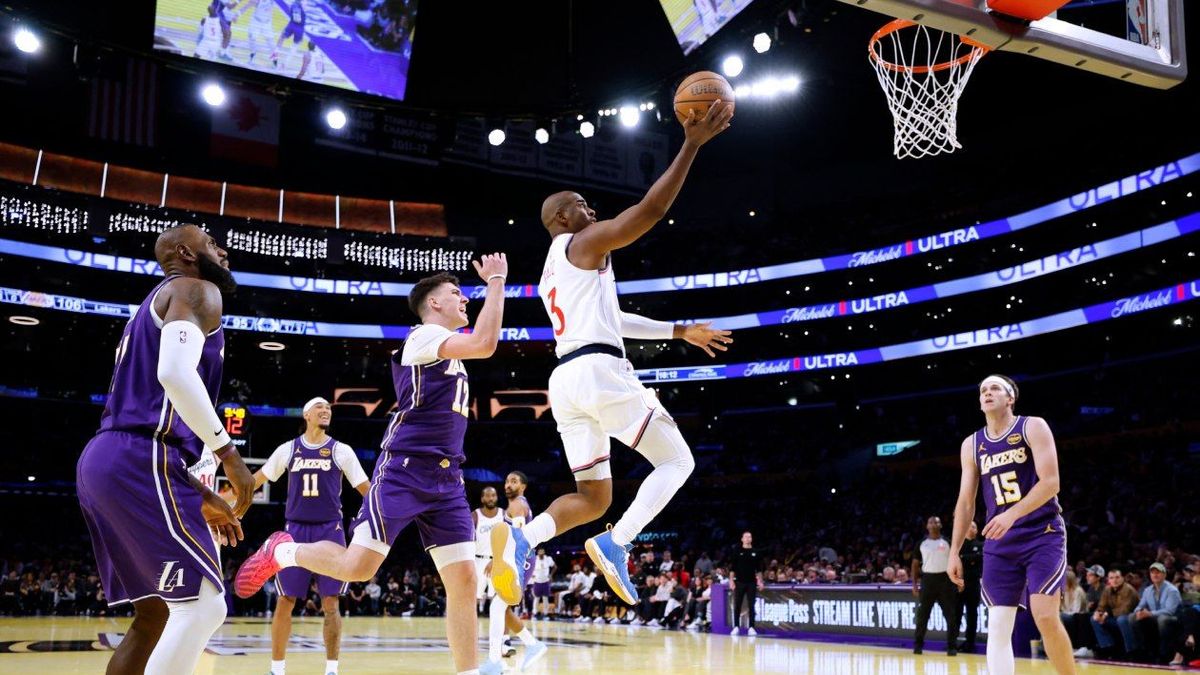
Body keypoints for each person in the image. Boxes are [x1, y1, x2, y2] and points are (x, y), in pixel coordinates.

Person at [489, 98, 735, 608]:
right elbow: (649, 212)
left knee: (594, 496)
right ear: (562, 216)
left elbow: (614, 320)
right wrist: (690, 144)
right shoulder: (582, 243)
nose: (592, 211)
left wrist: (678, 331)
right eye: (582, 204)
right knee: (677, 462)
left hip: (567, 381)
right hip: (600, 371)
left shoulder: (553, 272)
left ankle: (523, 538)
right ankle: (616, 541)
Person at [236, 257, 511, 675]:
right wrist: (495, 281)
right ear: (433, 304)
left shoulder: (449, 351)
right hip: (405, 469)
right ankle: (284, 550)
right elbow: (487, 343)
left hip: (448, 477)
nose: (464, 299)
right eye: (456, 293)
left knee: (465, 581)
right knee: (358, 568)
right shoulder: (422, 337)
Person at [76, 224, 254, 675]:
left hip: (110, 458)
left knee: (155, 616)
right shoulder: (196, 290)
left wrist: (197, 490)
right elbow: (174, 375)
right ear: (184, 252)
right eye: (212, 243)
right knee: (204, 607)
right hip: (141, 455)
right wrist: (230, 456)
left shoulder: (154, 302)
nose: (223, 250)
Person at [947, 375, 1076, 675]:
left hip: (1041, 532)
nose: (987, 393)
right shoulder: (972, 444)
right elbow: (966, 502)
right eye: (982, 390)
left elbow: (1051, 482)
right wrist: (954, 550)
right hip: (1000, 541)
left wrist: (1011, 514)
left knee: (1044, 616)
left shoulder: (1033, 426)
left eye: (994, 388)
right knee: (998, 625)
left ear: (1010, 398)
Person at [252, 397, 370, 675]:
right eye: (320, 407)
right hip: (295, 531)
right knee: (285, 600)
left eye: (328, 408)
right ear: (307, 415)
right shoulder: (288, 449)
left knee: (331, 602)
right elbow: (258, 479)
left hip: (331, 530)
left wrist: (377, 520)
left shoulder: (341, 450)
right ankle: (276, 669)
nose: (326, 410)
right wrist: (232, 504)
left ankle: (331, 669)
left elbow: (366, 489)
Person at [482, 472, 548, 671]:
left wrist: (504, 560)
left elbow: (518, 534)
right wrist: (497, 558)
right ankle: (532, 645)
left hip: (522, 560)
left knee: (496, 606)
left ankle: (494, 662)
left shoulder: (519, 503)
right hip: (515, 558)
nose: (508, 484)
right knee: (504, 608)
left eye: (514, 481)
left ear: (523, 487)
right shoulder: (511, 507)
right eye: (507, 481)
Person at [912, 516, 959, 655]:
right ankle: (918, 646)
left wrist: (958, 579)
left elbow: (955, 561)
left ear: (941, 525)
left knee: (951, 616)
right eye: (931, 522)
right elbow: (914, 565)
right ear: (927, 526)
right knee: (922, 616)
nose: (933, 524)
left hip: (945, 580)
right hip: (928, 580)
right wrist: (914, 584)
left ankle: (952, 647)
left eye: (936, 522)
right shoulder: (921, 543)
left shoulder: (947, 542)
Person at [1131, 562, 1182, 663]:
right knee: (1132, 617)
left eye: (1158, 572)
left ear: (1164, 575)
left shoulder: (1172, 590)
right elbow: (1140, 606)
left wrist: (1150, 613)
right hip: (1155, 618)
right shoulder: (1147, 590)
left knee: (1162, 619)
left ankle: (1164, 653)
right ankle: (1143, 650)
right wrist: (1139, 612)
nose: (1155, 575)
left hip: (1174, 618)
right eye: (1152, 572)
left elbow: (1169, 611)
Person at [957, 520, 984, 652]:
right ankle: (953, 642)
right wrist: (972, 558)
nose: (971, 528)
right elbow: (959, 559)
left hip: (973, 584)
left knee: (972, 614)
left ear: (977, 530)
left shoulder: (981, 544)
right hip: (959, 583)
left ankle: (970, 643)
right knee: (956, 613)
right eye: (969, 525)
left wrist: (964, 558)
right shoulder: (958, 545)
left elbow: (981, 559)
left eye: (974, 526)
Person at [730, 531, 762, 636]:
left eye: (750, 536)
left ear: (751, 539)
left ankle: (751, 627)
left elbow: (759, 569)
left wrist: (760, 581)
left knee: (751, 605)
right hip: (739, 582)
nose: (748, 538)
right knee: (737, 605)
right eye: (746, 536)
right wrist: (731, 581)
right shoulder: (737, 551)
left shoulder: (755, 552)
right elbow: (732, 568)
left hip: (751, 582)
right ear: (742, 539)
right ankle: (736, 627)